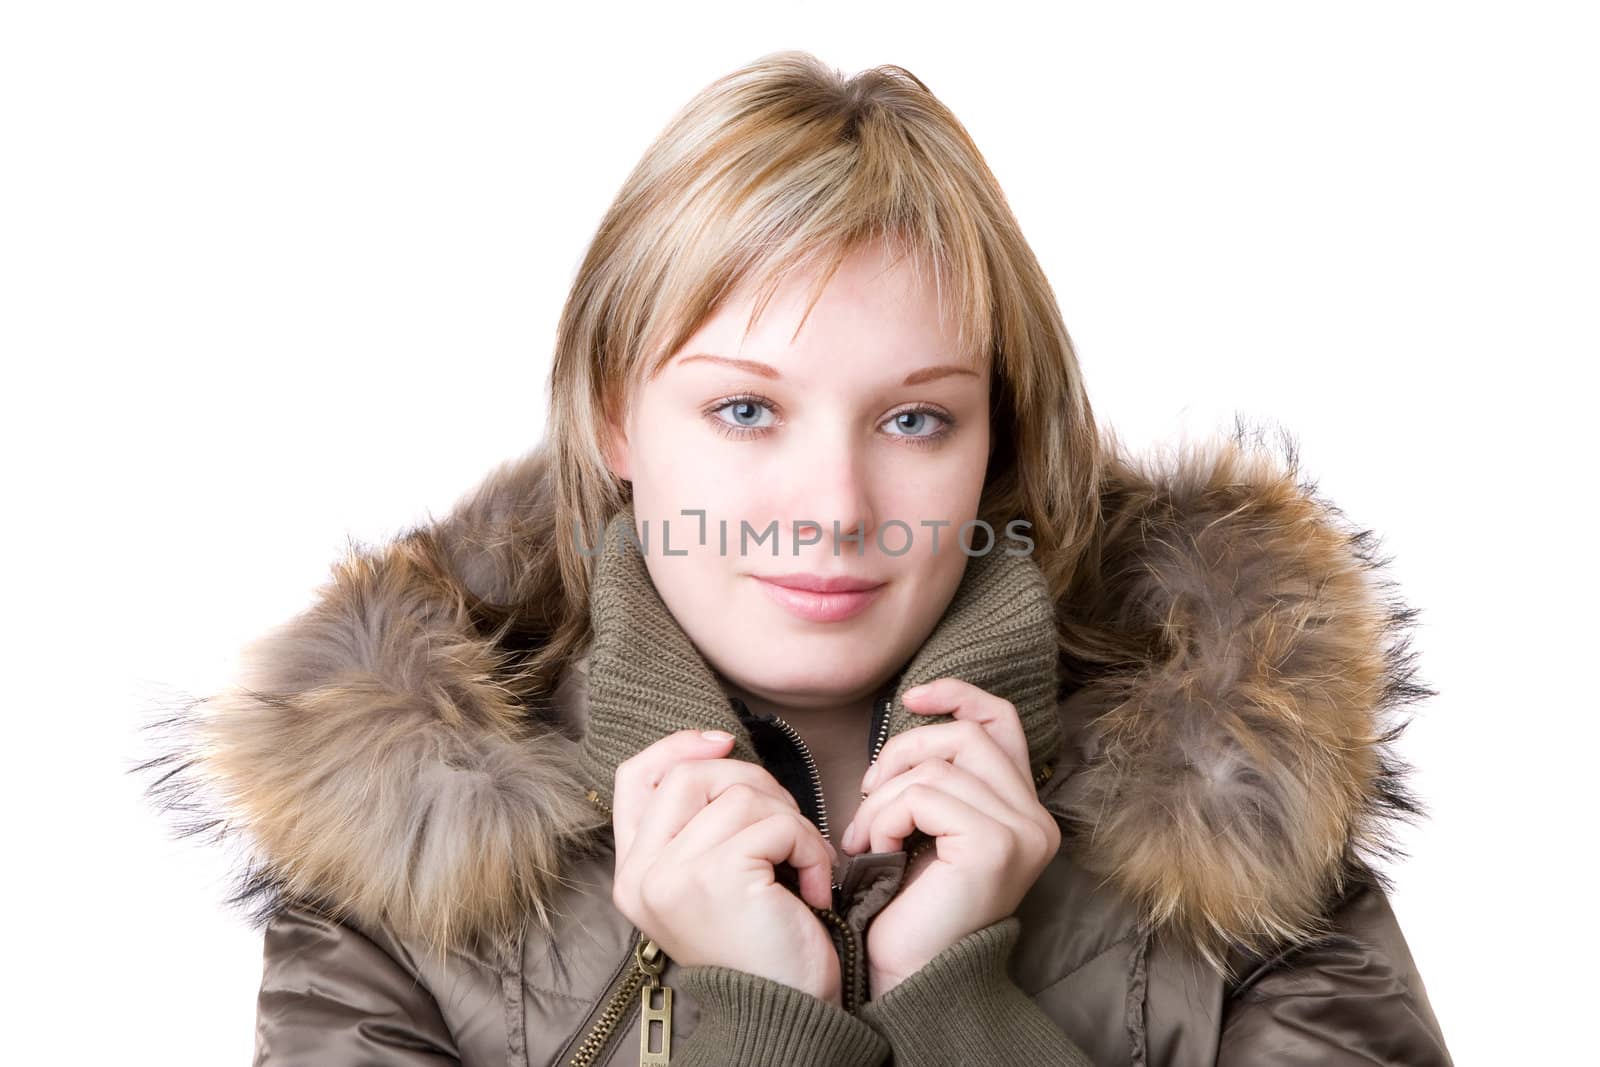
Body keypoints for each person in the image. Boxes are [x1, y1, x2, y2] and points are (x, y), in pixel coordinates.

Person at [134, 50, 1454, 1066]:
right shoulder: (397, 870)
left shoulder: (1241, 833)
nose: (832, 508)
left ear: (996, 441)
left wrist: (963, 1012)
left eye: (915, 417)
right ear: (614, 416)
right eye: (746, 410)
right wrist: (758, 1023)